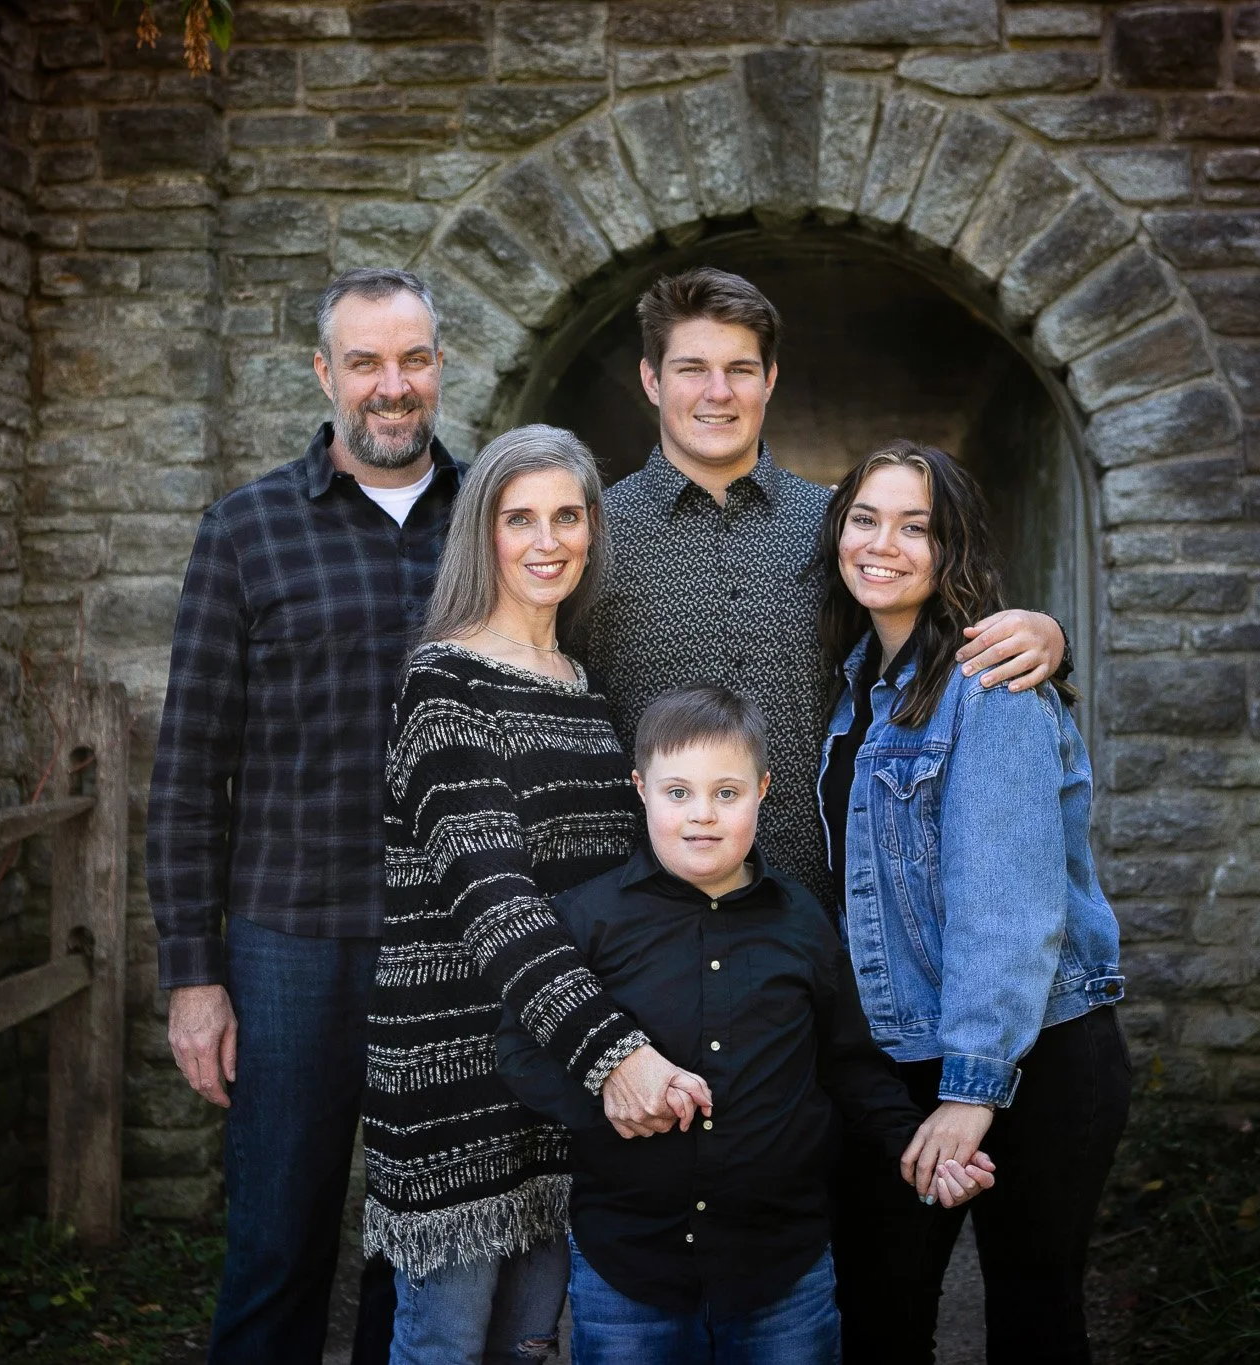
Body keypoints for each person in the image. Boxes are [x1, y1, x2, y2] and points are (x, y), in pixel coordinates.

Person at [146, 271, 697, 1365]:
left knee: (437, 1252)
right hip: (299, 938)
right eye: (364, 363)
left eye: (411, 361)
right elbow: (186, 766)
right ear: (325, 374)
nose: (390, 388)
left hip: (467, 961)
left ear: (439, 367)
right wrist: (192, 977)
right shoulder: (247, 530)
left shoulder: (497, 514)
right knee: (276, 1242)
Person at [497, 685, 993, 1365]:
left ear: (763, 789)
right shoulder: (588, 918)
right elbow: (520, 1047)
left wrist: (916, 1147)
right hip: (630, 1266)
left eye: (726, 793)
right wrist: (605, 1092)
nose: (701, 815)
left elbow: (847, 1060)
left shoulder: (801, 921)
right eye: (678, 792)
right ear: (641, 788)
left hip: (780, 1266)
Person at [364, 425, 717, 1365]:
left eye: (567, 514)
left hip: (555, 1083)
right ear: (484, 533)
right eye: (520, 518)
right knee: (447, 1347)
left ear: (594, 530)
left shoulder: (582, 687)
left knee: (527, 1346)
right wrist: (620, 1056)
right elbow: (499, 906)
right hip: (457, 1079)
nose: (546, 538)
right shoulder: (446, 686)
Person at [582, 268, 1070, 910]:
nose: (718, 393)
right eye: (691, 368)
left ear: (771, 380)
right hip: (646, 911)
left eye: (741, 369)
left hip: (820, 913)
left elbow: (940, 635)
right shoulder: (591, 538)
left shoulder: (842, 529)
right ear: (652, 379)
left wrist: (1048, 637)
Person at [817, 441, 1131, 1365]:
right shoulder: (857, 692)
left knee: (1032, 1325)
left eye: (917, 526)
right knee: (877, 1315)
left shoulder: (987, 688)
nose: (884, 543)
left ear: (953, 549)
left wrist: (971, 1087)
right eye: (866, 518)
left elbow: (1009, 905)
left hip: (1031, 1057)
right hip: (905, 1051)